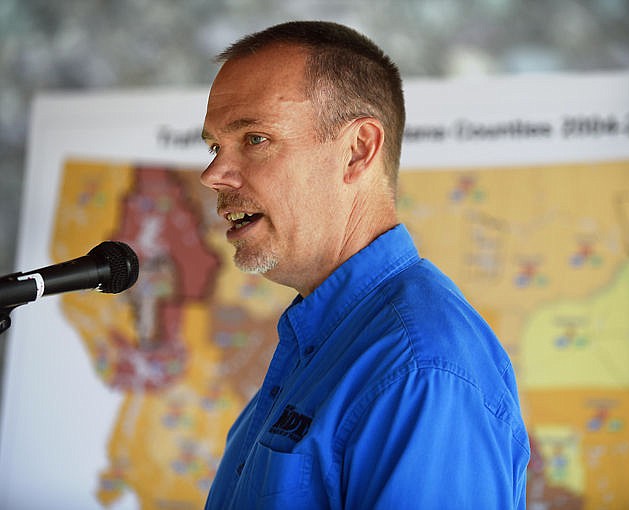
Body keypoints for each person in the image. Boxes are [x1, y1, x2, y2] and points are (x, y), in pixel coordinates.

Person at [199, 20, 530, 509]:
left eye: (254, 139)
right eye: (213, 147)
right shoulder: (331, 339)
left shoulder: (420, 370)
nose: (212, 176)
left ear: (357, 151)